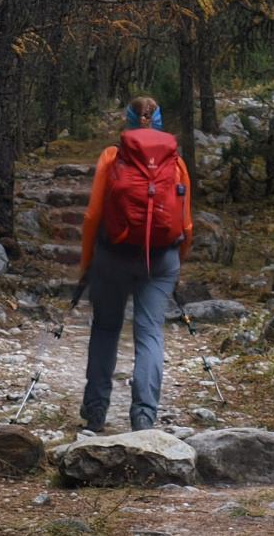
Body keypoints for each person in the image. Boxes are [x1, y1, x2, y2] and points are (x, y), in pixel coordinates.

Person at [78, 95, 193, 433]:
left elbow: (92, 216)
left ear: (127, 121)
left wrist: (87, 264)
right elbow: (185, 226)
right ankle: (143, 416)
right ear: (159, 121)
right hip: (161, 259)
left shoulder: (112, 157)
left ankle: (96, 411)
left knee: (105, 328)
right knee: (149, 333)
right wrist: (176, 265)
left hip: (112, 256)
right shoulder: (176, 162)